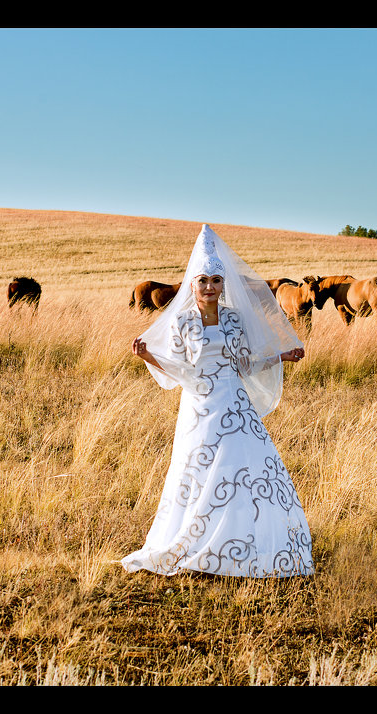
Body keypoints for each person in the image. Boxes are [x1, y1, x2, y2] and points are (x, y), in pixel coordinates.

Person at [121, 225, 314, 578]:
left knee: (246, 467)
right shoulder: (181, 322)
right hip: (199, 407)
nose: (209, 286)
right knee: (198, 472)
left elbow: (244, 365)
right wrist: (148, 356)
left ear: (223, 284)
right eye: (202, 280)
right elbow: (180, 369)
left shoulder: (235, 319)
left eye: (216, 280)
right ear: (192, 285)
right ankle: (195, 542)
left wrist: (281, 357)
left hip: (236, 406)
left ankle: (239, 541)